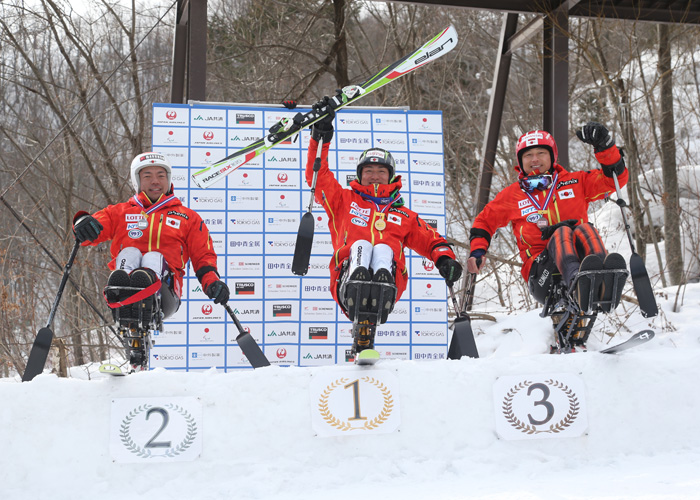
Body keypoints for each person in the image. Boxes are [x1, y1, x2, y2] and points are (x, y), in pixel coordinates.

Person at [306, 106, 463, 355]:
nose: (375, 176)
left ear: (390, 177)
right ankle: (358, 285)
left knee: (382, 248)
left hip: (389, 283)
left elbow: (432, 240)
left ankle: (379, 287)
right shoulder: (343, 201)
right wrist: (320, 138)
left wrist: (445, 258)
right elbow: (318, 176)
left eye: (381, 171)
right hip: (345, 278)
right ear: (359, 174)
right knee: (363, 246)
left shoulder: (404, 215)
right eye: (368, 171)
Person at [467, 123, 628, 316]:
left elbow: (614, 180)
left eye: (541, 153)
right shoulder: (512, 196)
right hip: (542, 276)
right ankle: (579, 283)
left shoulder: (576, 182)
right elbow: (484, 221)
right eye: (528, 155)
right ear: (521, 161)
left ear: (552, 156)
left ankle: (602, 279)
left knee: (583, 228)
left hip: (581, 259)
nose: (535, 159)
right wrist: (478, 250)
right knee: (562, 231)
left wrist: (605, 147)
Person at [72, 152, 229, 331]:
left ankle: (146, 285)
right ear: (137, 181)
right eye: (147, 176)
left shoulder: (188, 218)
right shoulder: (120, 212)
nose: (155, 181)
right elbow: (94, 227)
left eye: (161, 176)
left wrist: (211, 281)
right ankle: (122, 286)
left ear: (168, 180)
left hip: (166, 292)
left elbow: (203, 255)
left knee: (153, 256)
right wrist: (83, 223)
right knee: (129, 253)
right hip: (123, 293)